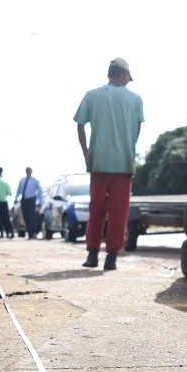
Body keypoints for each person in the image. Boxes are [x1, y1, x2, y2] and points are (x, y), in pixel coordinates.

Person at [74, 57, 143, 270]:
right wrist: (128, 148)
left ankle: (92, 255)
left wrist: (87, 153)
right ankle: (111, 257)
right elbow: (137, 128)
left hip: (98, 162)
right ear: (123, 75)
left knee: (96, 210)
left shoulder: (91, 95)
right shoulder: (135, 99)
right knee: (119, 213)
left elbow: (80, 125)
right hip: (123, 164)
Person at [16, 167, 42, 240]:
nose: (28, 172)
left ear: (31, 171)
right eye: (27, 171)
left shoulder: (35, 181)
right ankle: (29, 232)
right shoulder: (22, 180)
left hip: (31, 200)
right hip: (24, 200)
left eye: (29, 171)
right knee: (25, 217)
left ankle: (32, 234)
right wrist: (16, 198)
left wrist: (40, 202)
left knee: (31, 217)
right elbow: (18, 190)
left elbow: (40, 192)